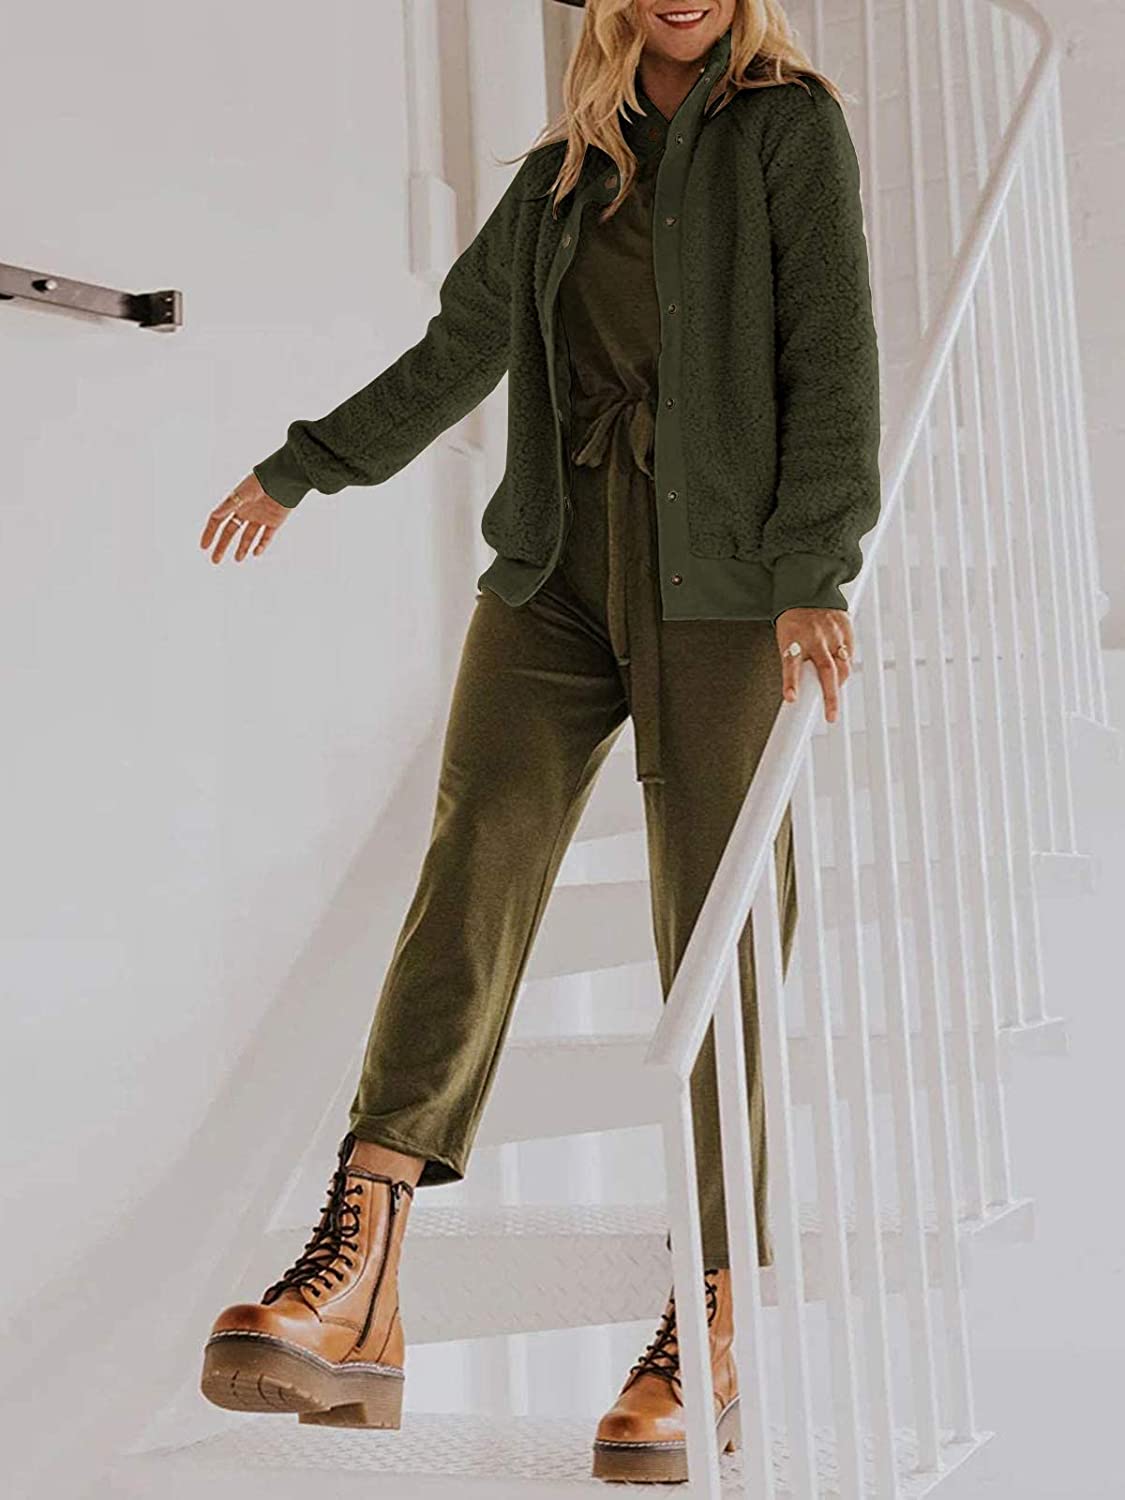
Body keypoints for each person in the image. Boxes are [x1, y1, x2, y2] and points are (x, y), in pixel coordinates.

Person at [196, 0, 879, 1483]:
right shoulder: (562, 170)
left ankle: (710, 1318)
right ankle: (362, 1275)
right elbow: (461, 348)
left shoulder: (789, 129)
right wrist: (306, 467)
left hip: (727, 589)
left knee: (719, 932)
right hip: (554, 574)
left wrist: (812, 568)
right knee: (474, 863)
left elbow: (829, 351)